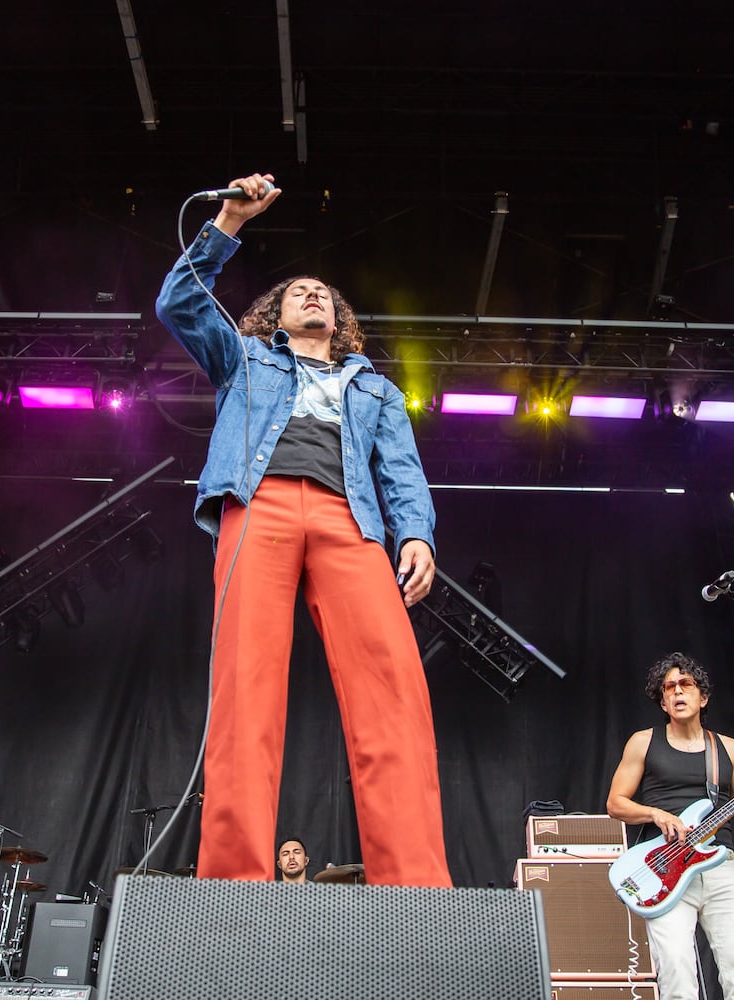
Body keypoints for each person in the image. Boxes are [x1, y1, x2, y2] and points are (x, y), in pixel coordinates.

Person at [155, 172, 451, 888]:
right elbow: (179, 301)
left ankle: (413, 885)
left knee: (393, 691)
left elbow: (402, 470)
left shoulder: (374, 387)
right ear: (275, 317)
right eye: (296, 290)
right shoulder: (245, 357)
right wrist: (228, 219)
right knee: (246, 689)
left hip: (349, 521)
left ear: (340, 318)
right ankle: (232, 882)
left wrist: (416, 533)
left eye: (324, 291)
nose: (312, 293)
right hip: (258, 508)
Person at [605, 652, 734, 1000]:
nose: (677, 692)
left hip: (721, 866)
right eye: (669, 688)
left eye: (685, 684)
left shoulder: (729, 749)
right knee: (676, 974)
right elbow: (616, 803)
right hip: (663, 868)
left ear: (702, 696)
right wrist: (655, 815)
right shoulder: (643, 742)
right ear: (662, 702)